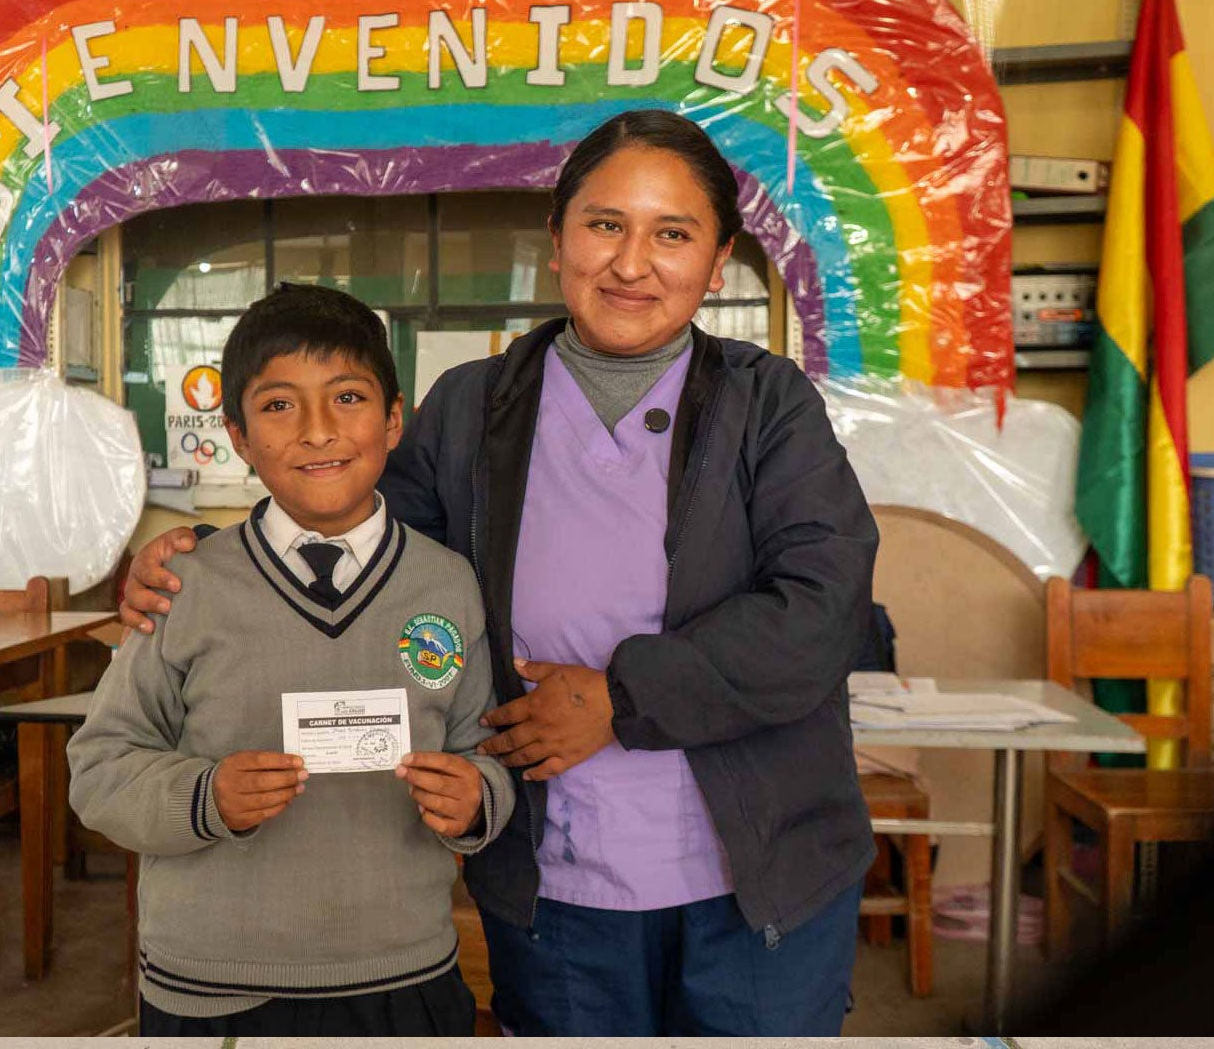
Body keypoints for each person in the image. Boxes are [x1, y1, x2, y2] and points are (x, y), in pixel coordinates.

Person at [121, 110, 879, 1035]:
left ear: (719, 261)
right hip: (556, 877)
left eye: (671, 234)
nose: (632, 263)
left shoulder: (769, 406)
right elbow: (349, 533)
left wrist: (619, 696)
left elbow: (825, 610)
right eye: (605, 225)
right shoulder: (472, 409)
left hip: (759, 877)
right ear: (556, 240)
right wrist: (193, 558)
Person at [68, 283, 515, 1037]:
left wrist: (477, 799)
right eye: (279, 406)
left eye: (348, 397)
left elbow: (489, 750)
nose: (317, 431)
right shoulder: (185, 585)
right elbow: (101, 769)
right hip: (213, 982)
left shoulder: (446, 582)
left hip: (404, 969)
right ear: (238, 435)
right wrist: (205, 795)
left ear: (395, 419)